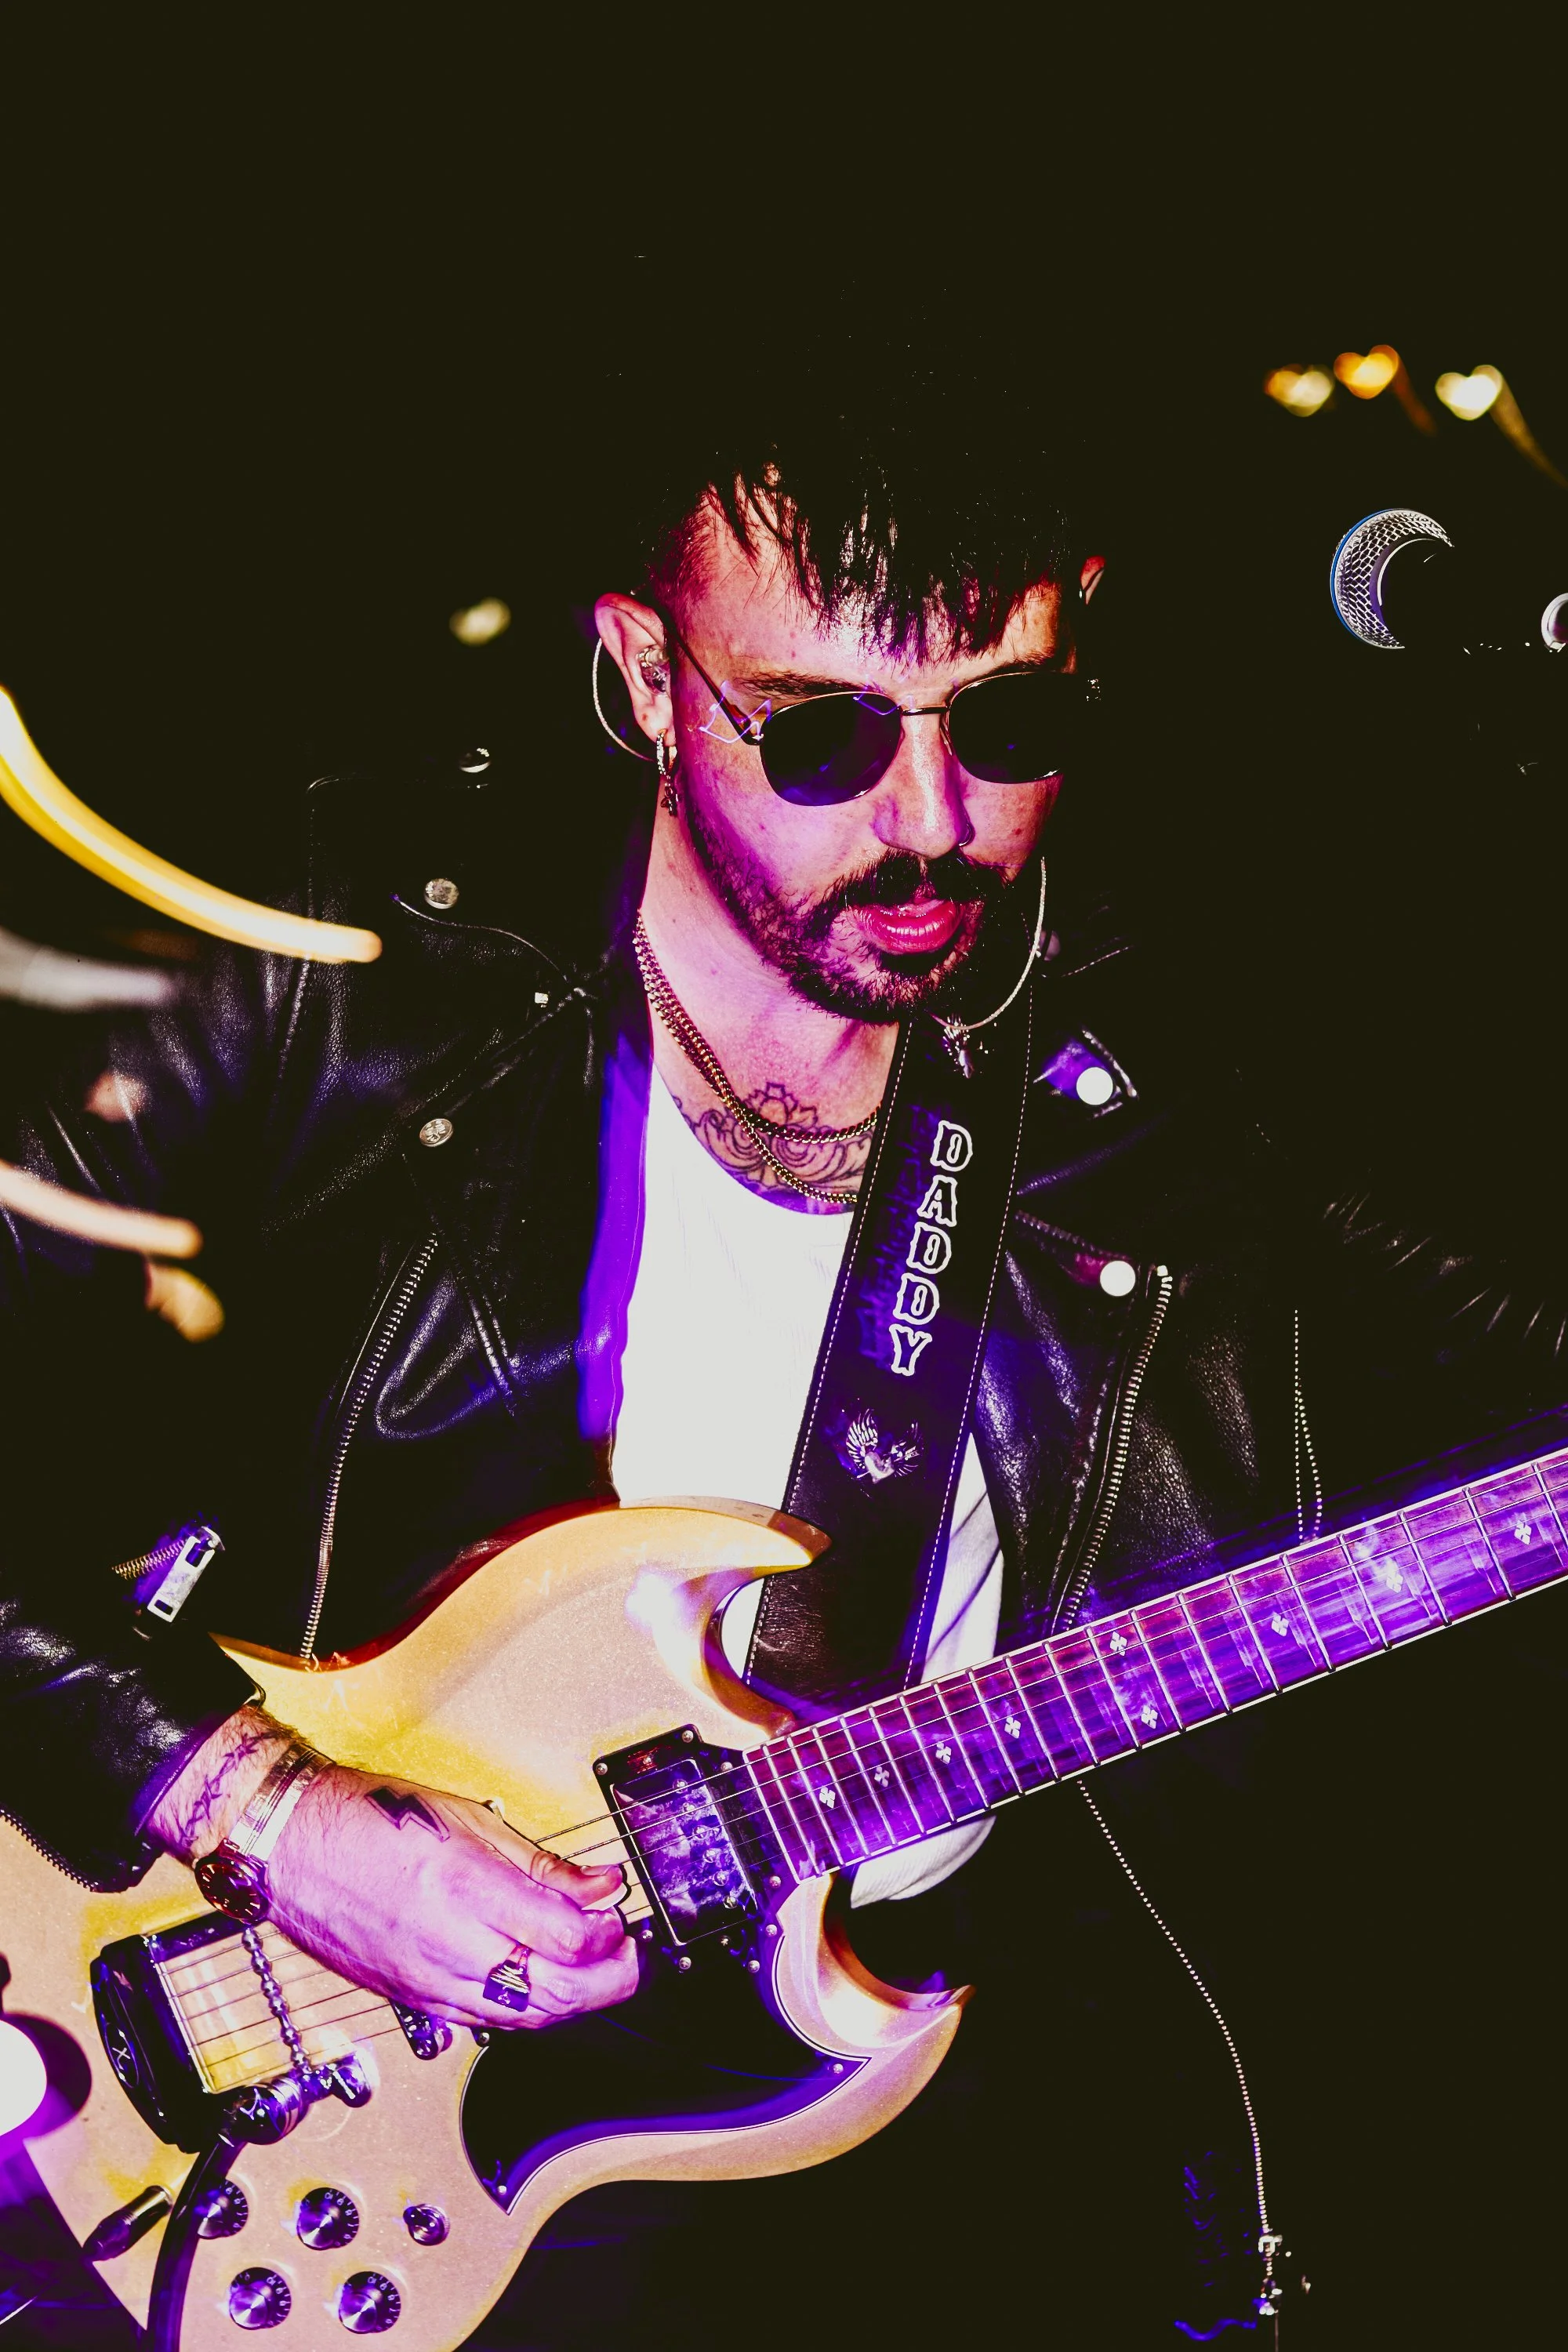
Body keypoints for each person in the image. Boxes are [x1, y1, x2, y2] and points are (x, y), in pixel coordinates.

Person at [2, 337, 1565, 2347]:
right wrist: (258, 1802)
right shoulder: (348, 984)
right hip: (277, 2049)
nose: (932, 827)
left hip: (897, 2118)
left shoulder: (1152, 1067)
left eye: (1007, 724)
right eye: (822, 738)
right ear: (649, 678)